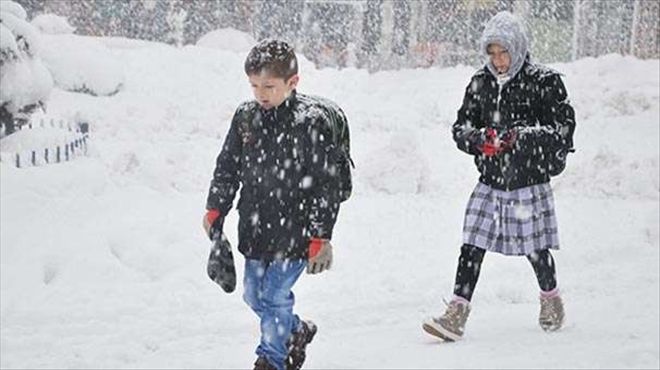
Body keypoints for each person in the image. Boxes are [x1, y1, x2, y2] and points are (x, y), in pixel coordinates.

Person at [422, 11, 576, 341]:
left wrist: (521, 137)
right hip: (491, 181)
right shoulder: (480, 82)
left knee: (535, 249)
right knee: (472, 245)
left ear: (518, 48)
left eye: (503, 52)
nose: (498, 60)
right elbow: (460, 127)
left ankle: (551, 299)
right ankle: (457, 313)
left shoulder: (545, 82)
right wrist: (479, 139)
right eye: (491, 53)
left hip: (528, 181)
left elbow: (562, 131)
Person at [203, 40, 348, 370]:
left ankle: (272, 359)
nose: (260, 94)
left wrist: (319, 237)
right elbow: (227, 166)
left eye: (269, 86)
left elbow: (324, 185)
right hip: (255, 227)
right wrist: (216, 209)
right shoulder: (245, 118)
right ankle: (296, 330)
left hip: (295, 232)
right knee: (253, 296)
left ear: (292, 83)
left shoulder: (309, 123)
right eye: (254, 85)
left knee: (273, 297)